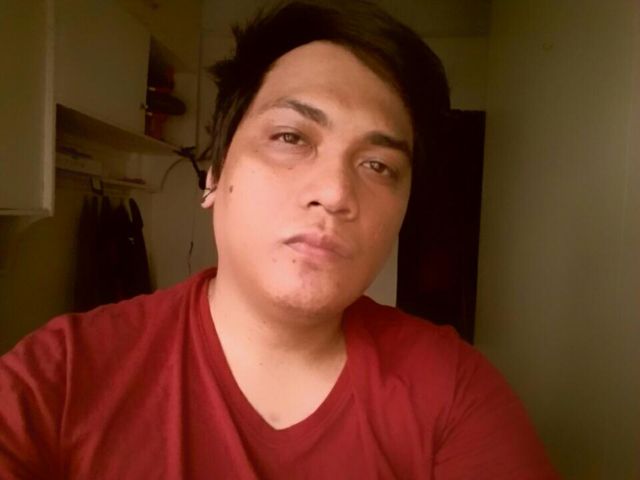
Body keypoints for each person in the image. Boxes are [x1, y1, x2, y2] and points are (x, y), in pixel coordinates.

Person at [0, 1, 559, 478]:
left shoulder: (452, 391)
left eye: (378, 165)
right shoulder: (59, 381)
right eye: (291, 137)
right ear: (214, 173)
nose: (335, 193)